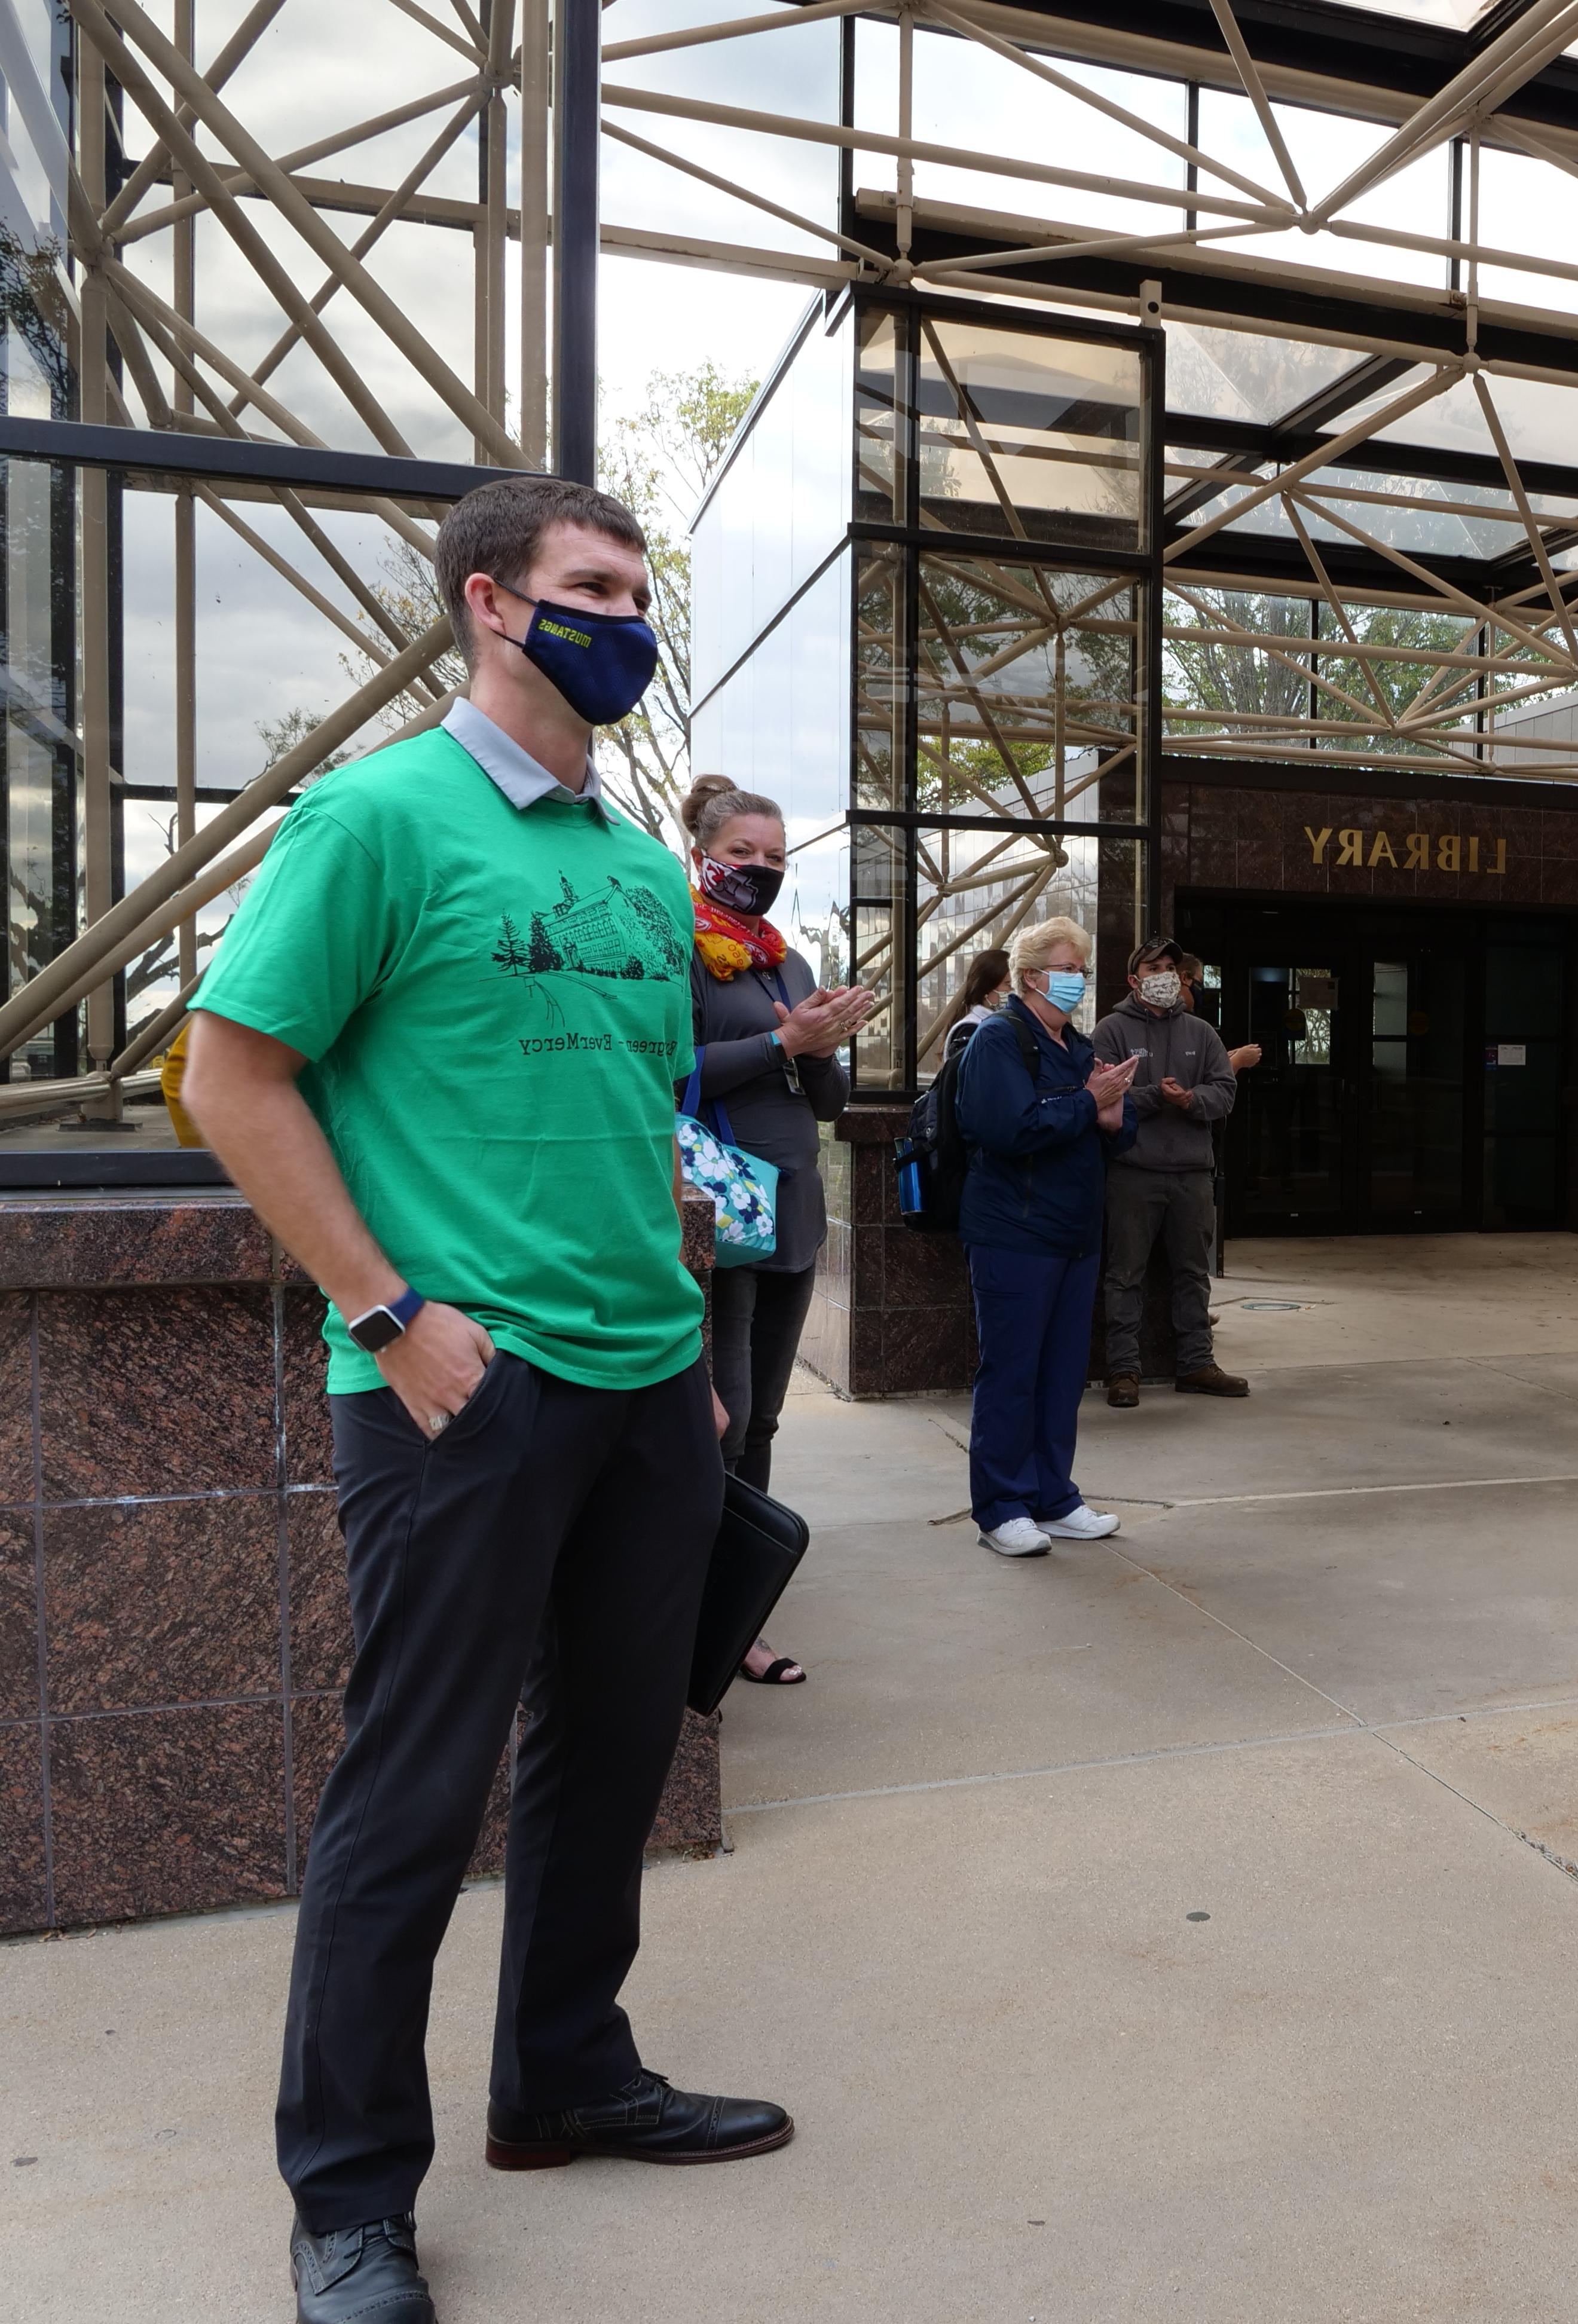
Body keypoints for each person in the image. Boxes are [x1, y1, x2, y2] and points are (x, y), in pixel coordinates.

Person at [180, 476, 789, 2324]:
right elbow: (231, 1078)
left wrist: (682, 1351)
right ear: (491, 605)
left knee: (610, 1761)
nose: (628, 615)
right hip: (459, 1387)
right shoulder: (375, 818)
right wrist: (389, 1315)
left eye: (639, 586)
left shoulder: (630, 873)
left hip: (641, 1379)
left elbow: (631, 1136)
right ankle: (349, 2196)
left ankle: (565, 2078)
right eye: (591, 585)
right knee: (412, 1797)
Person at [680, 775, 877, 1684]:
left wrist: (827, 1042)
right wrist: (778, 1046)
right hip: (720, 1210)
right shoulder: (679, 946)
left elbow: (828, 1104)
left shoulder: (785, 960)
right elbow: (667, 1069)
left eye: (774, 857)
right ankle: (690, 1608)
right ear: (702, 854)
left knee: (761, 1420)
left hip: (790, 1208)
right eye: (742, 855)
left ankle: (740, 1599)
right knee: (719, 1420)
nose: (759, 870)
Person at [962, 916, 1139, 1552]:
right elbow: (1008, 1128)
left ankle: (1053, 1495)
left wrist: (1118, 1114)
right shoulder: (999, 1041)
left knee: (1062, 1375)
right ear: (1032, 976)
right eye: (1068, 969)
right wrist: (1090, 1105)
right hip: (1015, 1231)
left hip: (1075, 1232)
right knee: (1011, 1373)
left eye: (1083, 969)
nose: (1079, 980)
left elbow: (1115, 1124)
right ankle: (1002, 1507)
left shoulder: (1081, 1047)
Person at [1094, 937, 1246, 1406]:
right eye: (1153, 966)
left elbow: (1224, 1092)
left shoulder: (1202, 1033)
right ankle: (1123, 1372)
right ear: (1134, 979)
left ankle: (1197, 1364)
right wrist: (1157, 1097)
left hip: (1192, 1174)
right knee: (1124, 1275)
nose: (1165, 974)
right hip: (1133, 1173)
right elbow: (1102, 1094)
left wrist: (1191, 1100)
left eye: (1171, 967)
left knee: (1193, 1273)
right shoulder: (1111, 1030)